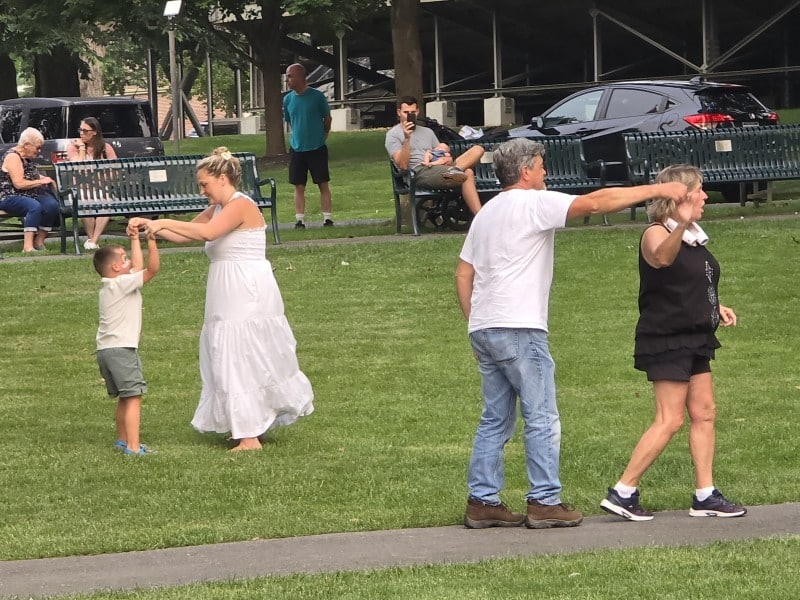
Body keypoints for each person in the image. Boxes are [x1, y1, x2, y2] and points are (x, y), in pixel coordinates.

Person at [455, 138, 688, 530]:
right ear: (526, 171)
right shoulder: (533, 203)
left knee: (495, 418)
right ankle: (544, 500)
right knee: (542, 415)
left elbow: (464, 274)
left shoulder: (487, 211)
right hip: (521, 326)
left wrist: (476, 324)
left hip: (485, 325)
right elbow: (596, 203)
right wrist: (659, 189)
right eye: (542, 166)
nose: (545, 173)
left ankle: (483, 500)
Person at [129, 147, 314, 452]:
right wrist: (151, 228)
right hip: (227, 287)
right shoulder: (218, 207)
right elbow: (189, 233)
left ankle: (250, 436)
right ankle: (248, 426)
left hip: (246, 287)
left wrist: (161, 222)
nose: (202, 190)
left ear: (224, 178)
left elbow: (209, 233)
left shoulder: (241, 206)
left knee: (242, 352)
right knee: (229, 352)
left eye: (205, 184)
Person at [600, 164, 746, 522]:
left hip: (695, 337)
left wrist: (716, 306)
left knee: (705, 412)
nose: (706, 197)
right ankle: (623, 491)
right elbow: (662, 259)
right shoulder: (655, 233)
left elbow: (691, 282)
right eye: (699, 190)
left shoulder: (694, 236)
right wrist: (680, 222)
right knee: (670, 419)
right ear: (680, 196)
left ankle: (705, 494)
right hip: (666, 338)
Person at [93, 227, 160, 456]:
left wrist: (134, 239)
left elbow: (138, 268)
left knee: (124, 396)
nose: (129, 260)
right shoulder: (121, 284)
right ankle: (133, 447)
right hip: (121, 349)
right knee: (133, 396)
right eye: (124, 259)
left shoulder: (111, 284)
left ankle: (123, 440)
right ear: (115, 267)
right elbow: (151, 269)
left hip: (106, 350)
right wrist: (151, 241)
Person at [385, 96, 484, 216]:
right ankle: (480, 217)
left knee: (478, 149)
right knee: (467, 174)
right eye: (406, 112)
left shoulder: (428, 132)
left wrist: (447, 159)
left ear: (417, 112)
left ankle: (455, 171)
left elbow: (440, 153)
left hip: (441, 167)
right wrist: (407, 138)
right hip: (419, 172)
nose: (409, 115)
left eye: (413, 112)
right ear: (399, 112)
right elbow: (403, 165)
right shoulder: (393, 135)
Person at [283, 63, 333, 229]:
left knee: (322, 183)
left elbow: (327, 118)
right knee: (299, 185)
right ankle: (299, 219)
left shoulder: (317, 96)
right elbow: (290, 120)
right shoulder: (287, 99)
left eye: (290, 76)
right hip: (297, 148)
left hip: (317, 147)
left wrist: (324, 135)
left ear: (300, 76)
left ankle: (327, 218)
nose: (287, 79)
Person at [0, 127, 60, 253]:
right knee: (34, 206)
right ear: (26, 145)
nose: (39, 151)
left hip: (28, 194)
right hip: (9, 196)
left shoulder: (27, 158)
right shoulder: (13, 157)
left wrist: (46, 179)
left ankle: (39, 242)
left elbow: (33, 175)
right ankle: (28, 247)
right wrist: (40, 182)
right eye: (37, 147)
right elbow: (19, 184)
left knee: (51, 205)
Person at [67, 117, 118, 251]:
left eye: (85, 131)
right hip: (81, 188)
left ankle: (93, 241)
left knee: (107, 203)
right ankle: (93, 241)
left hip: (101, 187)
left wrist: (104, 179)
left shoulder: (106, 148)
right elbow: (78, 168)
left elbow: (114, 170)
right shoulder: (74, 147)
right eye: (80, 130)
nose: (81, 133)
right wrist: (82, 148)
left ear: (94, 132)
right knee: (85, 202)